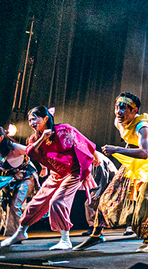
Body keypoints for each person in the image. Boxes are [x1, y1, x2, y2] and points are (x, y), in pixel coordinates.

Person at [75, 92, 148, 253]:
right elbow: (131, 143)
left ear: (134, 110)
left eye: (124, 108)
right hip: (131, 165)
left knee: (144, 202)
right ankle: (96, 235)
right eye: (117, 107)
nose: (119, 112)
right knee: (108, 196)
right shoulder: (119, 121)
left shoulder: (142, 127)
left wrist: (116, 149)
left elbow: (144, 153)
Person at [1, 106, 96, 251]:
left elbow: (84, 142)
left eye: (35, 118)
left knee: (57, 201)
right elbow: (31, 152)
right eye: (30, 120)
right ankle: (21, 232)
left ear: (46, 118)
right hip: (55, 174)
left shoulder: (64, 130)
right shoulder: (34, 138)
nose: (32, 122)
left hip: (73, 172)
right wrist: (43, 139)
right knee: (35, 204)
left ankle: (65, 239)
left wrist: (95, 157)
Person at [0, 127, 38, 241]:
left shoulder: (15, 148)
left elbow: (35, 153)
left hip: (26, 177)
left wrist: (44, 168)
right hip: (10, 180)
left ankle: (17, 234)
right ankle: (12, 234)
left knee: (15, 203)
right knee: (7, 205)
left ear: (1, 138)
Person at [83, 150, 118, 231]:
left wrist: (98, 193)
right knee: (91, 203)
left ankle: (94, 226)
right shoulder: (92, 159)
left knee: (90, 203)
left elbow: (104, 178)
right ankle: (96, 226)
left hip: (110, 185)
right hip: (100, 185)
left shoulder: (99, 160)